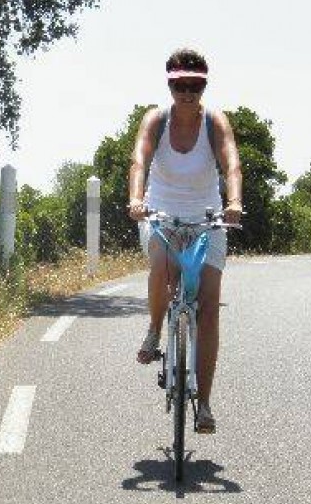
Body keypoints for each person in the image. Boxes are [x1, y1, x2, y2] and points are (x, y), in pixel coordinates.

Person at [127, 48, 243, 434]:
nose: (188, 92)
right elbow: (139, 161)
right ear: (169, 84)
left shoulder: (215, 122)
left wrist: (235, 202)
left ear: (204, 86)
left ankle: (205, 404)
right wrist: (136, 198)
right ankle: (154, 329)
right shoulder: (156, 121)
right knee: (160, 264)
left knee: (208, 308)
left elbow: (231, 162)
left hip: (208, 219)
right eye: (180, 85)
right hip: (161, 214)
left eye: (195, 86)